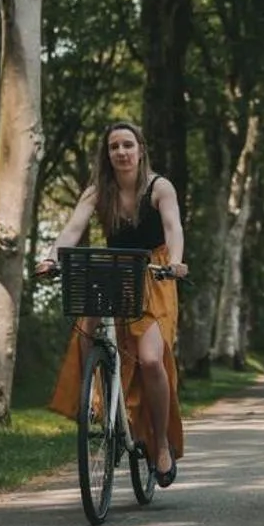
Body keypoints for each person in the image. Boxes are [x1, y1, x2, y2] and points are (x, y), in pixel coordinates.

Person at [37, 121, 189, 486]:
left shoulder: (159, 187)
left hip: (154, 274)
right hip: (115, 271)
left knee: (151, 359)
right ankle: (102, 404)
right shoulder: (97, 192)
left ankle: (162, 444)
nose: (121, 152)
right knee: (87, 332)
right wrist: (50, 257)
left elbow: (174, 229)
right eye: (114, 147)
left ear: (140, 149)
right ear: (107, 155)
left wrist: (175, 263)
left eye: (127, 145)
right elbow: (73, 229)